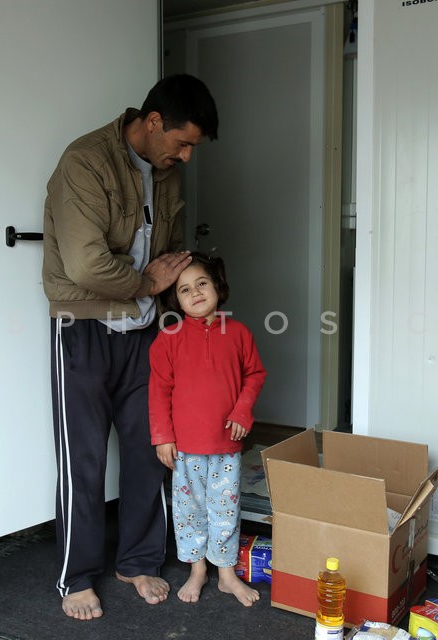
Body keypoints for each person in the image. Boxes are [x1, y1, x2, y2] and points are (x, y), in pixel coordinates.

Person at [42, 74, 219, 621]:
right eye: (182, 142)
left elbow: (169, 256)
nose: (186, 156)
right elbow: (85, 264)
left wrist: (180, 303)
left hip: (146, 332)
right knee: (84, 458)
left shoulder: (166, 175)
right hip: (85, 325)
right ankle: (76, 575)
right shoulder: (86, 162)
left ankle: (138, 561)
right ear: (152, 123)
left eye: (193, 147)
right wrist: (146, 283)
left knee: (151, 450)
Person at [148, 252, 267, 607]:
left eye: (202, 283)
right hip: (185, 447)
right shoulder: (168, 339)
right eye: (185, 289)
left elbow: (255, 375)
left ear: (217, 285)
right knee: (189, 511)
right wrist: (162, 437)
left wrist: (243, 411)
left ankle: (227, 575)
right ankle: (197, 570)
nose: (196, 293)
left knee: (225, 509)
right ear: (176, 298)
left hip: (226, 445)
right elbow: (158, 391)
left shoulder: (239, 333)